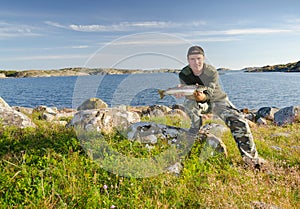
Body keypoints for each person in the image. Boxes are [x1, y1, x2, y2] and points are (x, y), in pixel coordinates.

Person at [178, 45, 263, 168]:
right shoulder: (184, 74)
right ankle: (195, 133)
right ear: (187, 60)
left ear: (204, 58)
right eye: (192, 59)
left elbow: (209, 94)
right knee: (188, 105)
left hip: (218, 101)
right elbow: (188, 94)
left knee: (238, 120)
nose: (196, 62)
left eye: (198, 58)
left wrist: (201, 97)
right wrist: (182, 94)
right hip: (196, 101)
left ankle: (251, 161)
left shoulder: (211, 71)